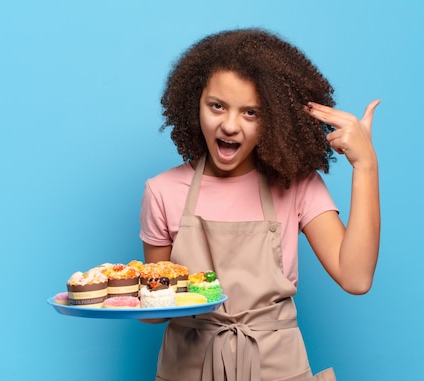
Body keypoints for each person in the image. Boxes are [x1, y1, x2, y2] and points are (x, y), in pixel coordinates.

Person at [139, 28, 381, 381]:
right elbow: (153, 312)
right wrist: (129, 294)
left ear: (276, 118)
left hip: (278, 367)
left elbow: (356, 278)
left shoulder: (296, 184)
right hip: (187, 368)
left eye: (251, 112)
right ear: (195, 103)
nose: (230, 125)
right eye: (217, 106)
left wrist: (366, 166)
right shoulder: (162, 191)